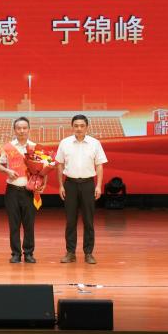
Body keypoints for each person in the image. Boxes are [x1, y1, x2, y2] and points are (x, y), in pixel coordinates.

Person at [56, 113, 108, 264]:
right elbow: (59, 165)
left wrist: (98, 186)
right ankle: (70, 252)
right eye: (76, 126)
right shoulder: (65, 143)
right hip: (70, 184)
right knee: (70, 221)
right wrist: (61, 185)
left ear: (87, 127)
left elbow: (99, 165)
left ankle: (88, 253)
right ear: (72, 127)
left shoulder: (95, 143)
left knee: (88, 221)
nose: (79, 128)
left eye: (82, 126)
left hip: (88, 185)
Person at [0, 116, 39, 264]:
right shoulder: (8, 147)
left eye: (24, 128)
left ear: (29, 129)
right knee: (14, 223)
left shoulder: (35, 147)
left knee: (29, 223)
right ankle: (15, 253)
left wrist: (41, 183)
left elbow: (43, 167)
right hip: (12, 190)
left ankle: (28, 253)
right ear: (14, 130)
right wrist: (7, 171)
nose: (22, 131)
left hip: (29, 190)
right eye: (19, 128)